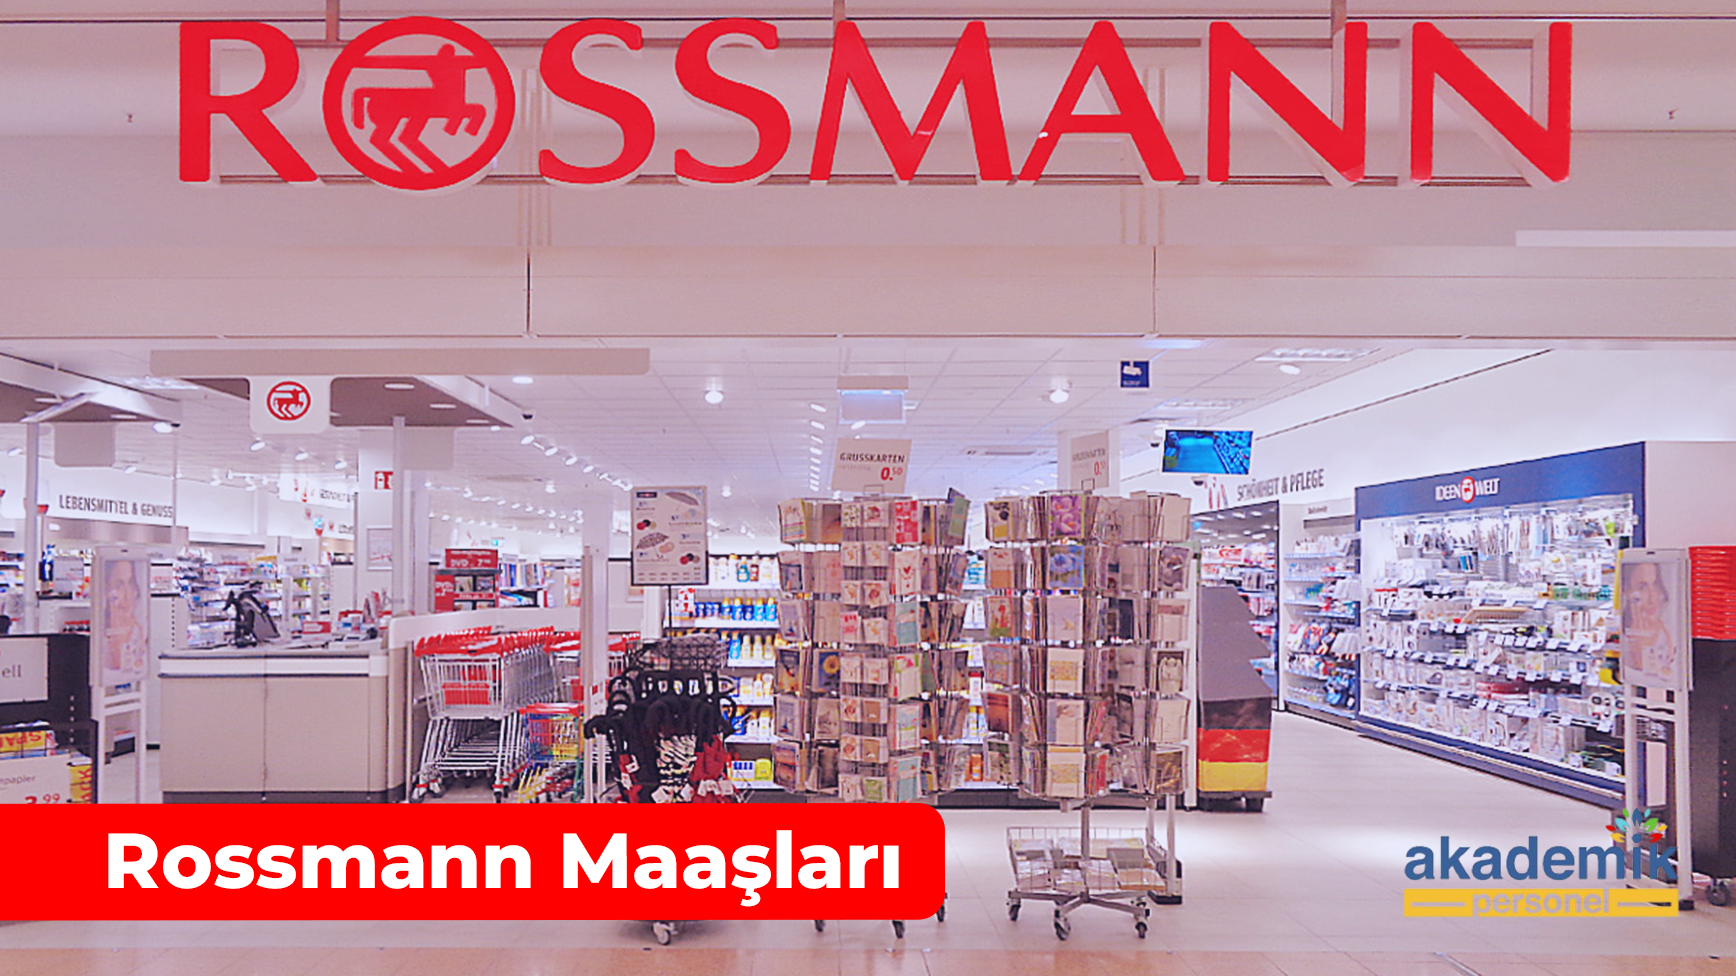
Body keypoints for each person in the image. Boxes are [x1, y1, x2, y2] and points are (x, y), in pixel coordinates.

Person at [1623, 560, 1677, 687]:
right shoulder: (1623, 640)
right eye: (1642, 587)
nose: (1652, 598)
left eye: (1655, 585)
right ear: (1627, 592)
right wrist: (1640, 653)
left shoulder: (1672, 628)